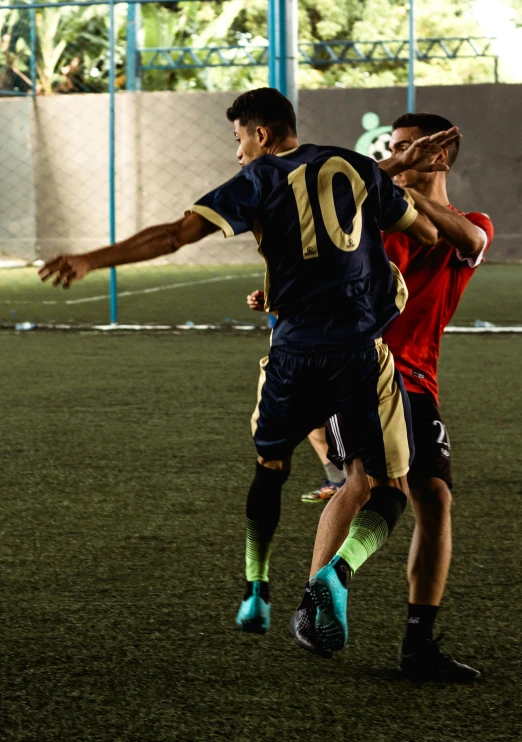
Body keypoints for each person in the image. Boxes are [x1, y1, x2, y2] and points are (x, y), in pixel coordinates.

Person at [39, 89, 459, 654]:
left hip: (292, 356)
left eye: (238, 139)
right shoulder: (355, 166)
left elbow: (173, 235)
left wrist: (91, 259)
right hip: (360, 355)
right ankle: (336, 574)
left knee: (271, 468)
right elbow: (429, 235)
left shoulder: (257, 180)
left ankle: (256, 589)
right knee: (386, 493)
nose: (238, 153)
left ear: (261, 134)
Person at [318, 113, 493, 679]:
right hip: (360, 372)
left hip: (418, 381)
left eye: (411, 148)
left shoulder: (468, 224)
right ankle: (316, 601)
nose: (399, 155)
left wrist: (402, 183)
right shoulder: (373, 223)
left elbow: (468, 240)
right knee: (369, 484)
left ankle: (418, 646)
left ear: (442, 155)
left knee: (435, 499)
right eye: (392, 148)